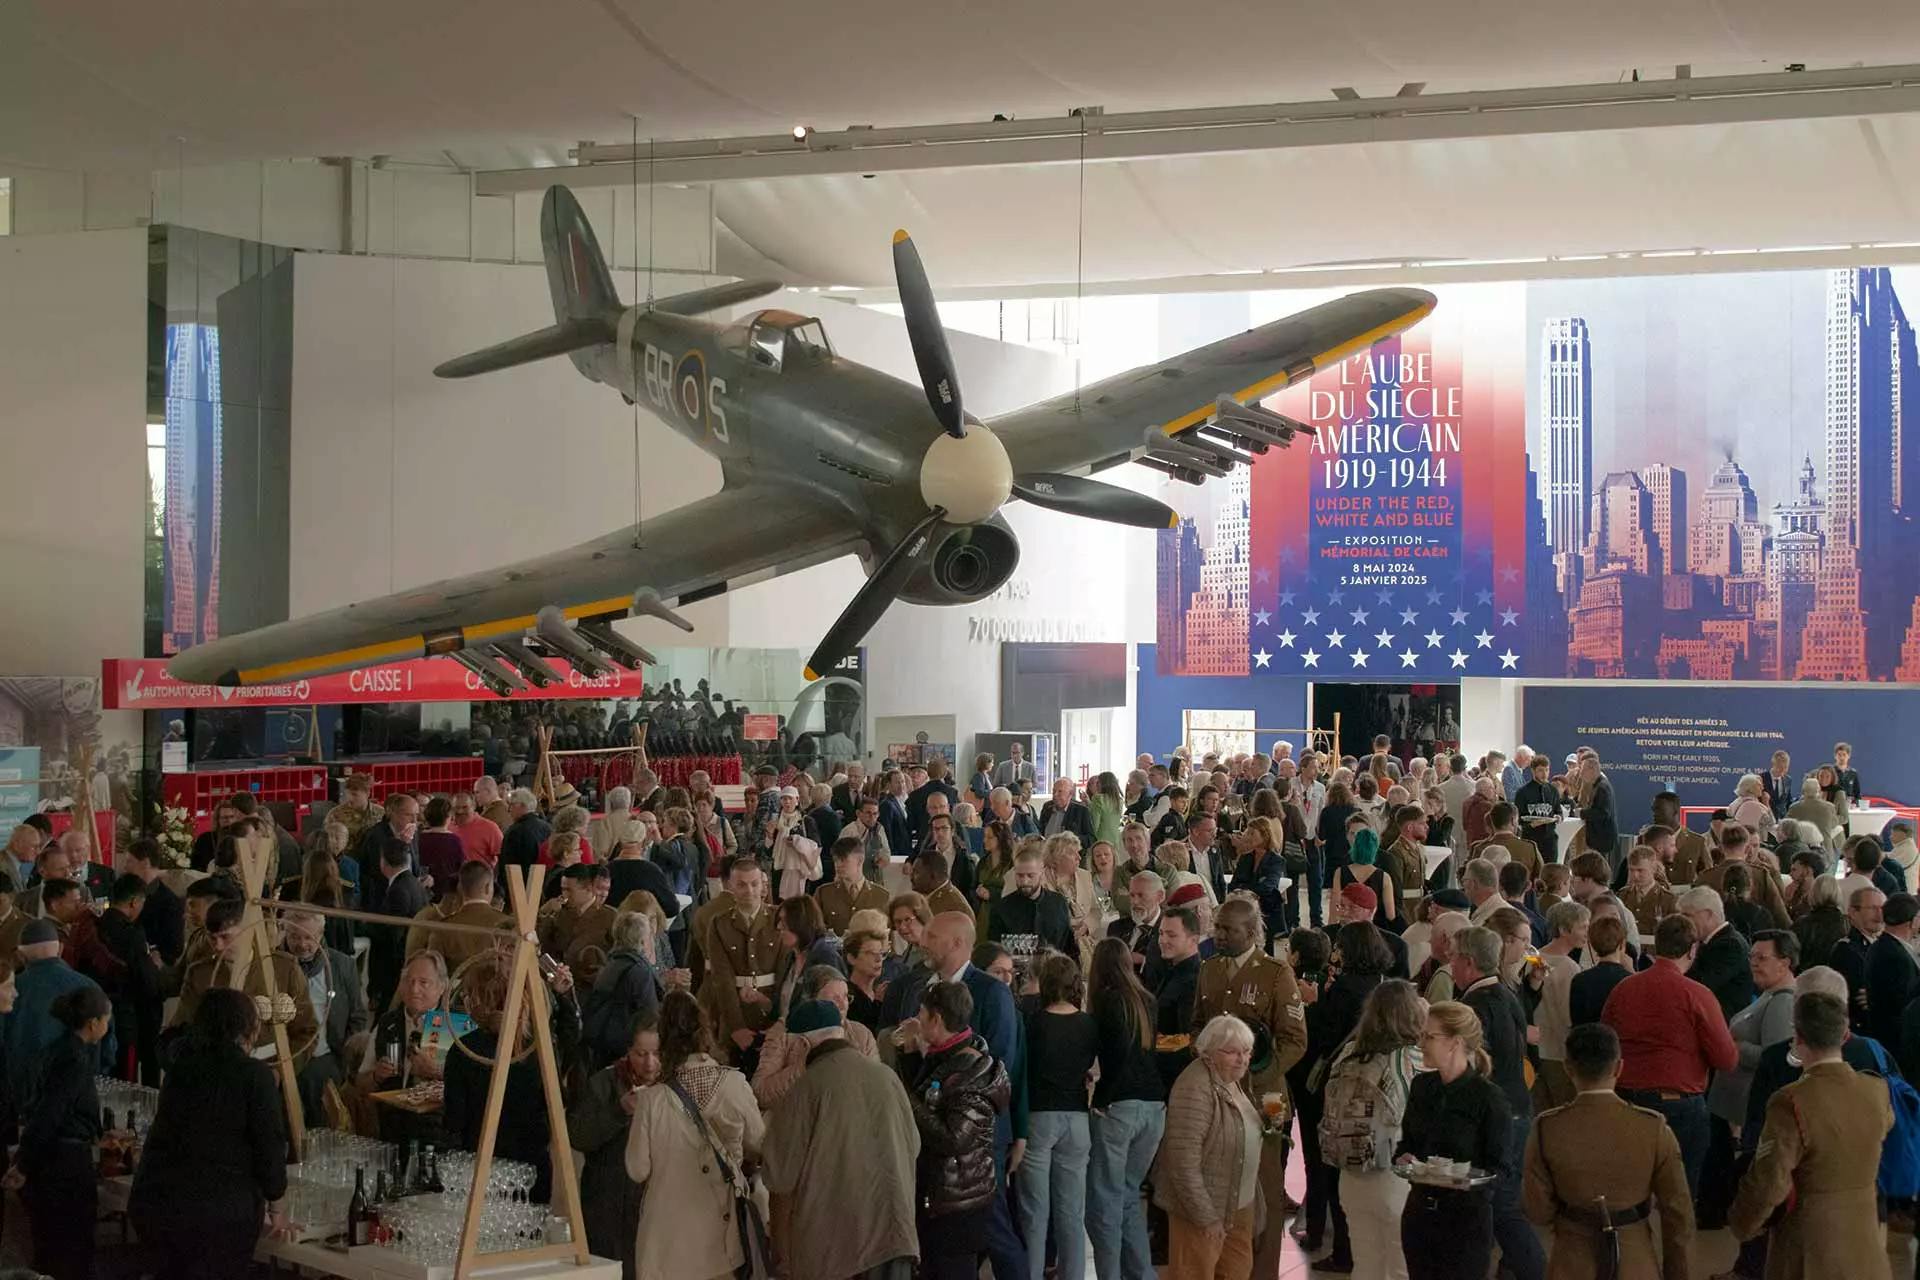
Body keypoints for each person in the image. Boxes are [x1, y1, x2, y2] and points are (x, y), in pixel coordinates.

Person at [1728, 992, 1893, 1279]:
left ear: (1798, 1038)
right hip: (1866, 1244)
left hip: (1809, 1248)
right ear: (1845, 1036)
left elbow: (1771, 1181)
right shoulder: (1876, 1090)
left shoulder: (1790, 1101)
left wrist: (1742, 1223)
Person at [128, 988, 289, 1280]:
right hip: (218, 1214)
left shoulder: (181, 1069)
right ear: (248, 1028)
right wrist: (276, 1204)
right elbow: (269, 1146)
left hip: (160, 1201)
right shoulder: (255, 1076)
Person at [763, 998, 920, 1280]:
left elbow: (779, 1177)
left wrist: (780, 1254)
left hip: (836, 1254)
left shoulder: (803, 1091)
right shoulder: (887, 1077)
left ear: (801, 1045)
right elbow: (914, 1146)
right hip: (895, 1240)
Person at [1522, 1023, 1692, 1280]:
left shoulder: (1547, 1127)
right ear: (1619, 1067)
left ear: (1568, 1068)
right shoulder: (1652, 1127)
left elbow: (1538, 1211)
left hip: (1571, 1261)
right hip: (1635, 1261)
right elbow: (1678, 1213)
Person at [1191, 898, 1307, 1275]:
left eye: (1229, 930)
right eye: (1218, 927)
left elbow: (1294, 1040)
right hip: (1217, 1096)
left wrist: (1252, 1073)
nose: (1219, 935)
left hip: (1265, 1098)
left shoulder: (1274, 974)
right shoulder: (1208, 970)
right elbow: (1198, 1026)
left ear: (1252, 932)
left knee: (1265, 1187)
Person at [626, 990, 766, 1280]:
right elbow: (759, 1143)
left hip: (665, 1244)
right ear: (706, 1032)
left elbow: (637, 1170)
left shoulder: (651, 1100)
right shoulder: (735, 1083)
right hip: (719, 1239)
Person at [1600, 913, 1738, 1199]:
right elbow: (1727, 1059)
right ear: (1692, 950)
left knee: (1628, 1193)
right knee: (1679, 1198)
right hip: (1680, 1104)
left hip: (1626, 1098)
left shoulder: (1624, 989)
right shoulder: (1698, 995)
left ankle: (1631, 1242)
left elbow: (1604, 1043)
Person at [443, 949, 578, 1201]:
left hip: (483, 1170)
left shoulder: (465, 1052)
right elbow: (558, 1100)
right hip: (532, 1169)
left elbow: (454, 1121)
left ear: (476, 1001)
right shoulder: (540, 1047)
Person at [1449, 925, 1544, 1280]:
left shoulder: (1474, 1008)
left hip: (1497, 1119)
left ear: (1469, 962)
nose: (1450, 964)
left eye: (1455, 957)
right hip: (1518, 1110)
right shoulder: (1507, 994)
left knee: (1502, 1209)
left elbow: (1470, 1072)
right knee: (1497, 1206)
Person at [897, 979, 1010, 1280]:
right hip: (939, 1197)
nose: (916, 1021)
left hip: (958, 1205)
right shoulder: (944, 1055)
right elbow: (926, 1099)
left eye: (921, 1014)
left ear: (936, 1019)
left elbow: (953, 1138)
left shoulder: (971, 1071)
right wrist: (908, 1056)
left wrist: (902, 1096)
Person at [1298, 921, 1392, 1270]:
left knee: (1327, 1163)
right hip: (1368, 1083)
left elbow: (1322, 1033)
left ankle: (1336, 1246)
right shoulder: (1380, 984)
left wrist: (1311, 1002)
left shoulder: (1344, 989)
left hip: (1336, 1084)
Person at [1395, 1001, 1513, 1280]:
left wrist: (1463, 1178)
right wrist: (1403, 1157)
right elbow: (1407, 1144)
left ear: (1454, 1043)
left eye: (1429, 1036)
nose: (1420, 1043)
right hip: (1419, 1216)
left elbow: (1502, 1168)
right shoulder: (1422, 1087)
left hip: (1465, 1222)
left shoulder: (1488, 1098)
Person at [1154, 1014, 1264, 1280]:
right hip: (1202, 1211)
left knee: (1237, 1271)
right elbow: (1182, 1163)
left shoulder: (1231, 1078)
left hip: (1237, 1204)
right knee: (1195, 1272)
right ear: (1208, 1052)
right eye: (1233, 1052)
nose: (1243, 1059)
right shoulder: (1195, 1087)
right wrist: (1206, 1217)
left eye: (1247, 1051)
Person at [1085, 937, 1165, 1280]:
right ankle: (1141, 1274)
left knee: (1103, 1203)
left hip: (1118, 1107)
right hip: (1154, 1108)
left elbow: (1101, 1058)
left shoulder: (1105, 1001)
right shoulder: (1147, 1000)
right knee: (1130, 1196)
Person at [17, 983, 109, 1280]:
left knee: (48, 1246)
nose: (107, 1025)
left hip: (49, 1161)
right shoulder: (75, 1060)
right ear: (93, 1023)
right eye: (106, 1019)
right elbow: (51, 1113)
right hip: (65, 1165)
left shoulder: (55, 1051)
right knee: (71, 1249)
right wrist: (23, 1163)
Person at [1017, 952, 1099, 1280]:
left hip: (1039, 1116)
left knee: (1034, 1215)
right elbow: (1091, 1069)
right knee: (1071, 1215)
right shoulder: (1088, 1024)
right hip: (1077, 1118)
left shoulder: (1033, 1023)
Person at [568, 1011, 661, 1280]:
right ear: (628, 1052)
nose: (650, 1064)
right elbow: (578, 1136)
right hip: (608, 1205)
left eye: (656, 1053)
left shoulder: (672, 1085)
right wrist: (619, 1111)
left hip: (654, 1205)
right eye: (641, 1054)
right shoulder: (604, 1083)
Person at [280, 908, 368, 1127]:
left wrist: (347, 1059)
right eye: (294, 937)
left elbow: (357, 1016)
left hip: (328, 1059)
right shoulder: (272, 964)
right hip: (285, 1059)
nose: (301, 944)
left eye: (309, 937)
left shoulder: (342, 966)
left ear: (321, 934)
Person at [697, 856, 782, 1064]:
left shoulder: (778, 918)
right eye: (742, 885)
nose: (749, 891)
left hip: (771, 1009)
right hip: (734, 1012)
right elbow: (721, 978)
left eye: (754, 884)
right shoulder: (719, 924)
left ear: (763, 885)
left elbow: (785, 972)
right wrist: (736, 1026)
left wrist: (778, 1017)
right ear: (731, 887)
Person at [579, 911, 663, 1070]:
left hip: (605, 1046)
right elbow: (649, 1015)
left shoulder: (613, 963)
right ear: (643, 941)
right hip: (627, 1049)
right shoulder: (639, 971)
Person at [1677, 884, 1755, 1022]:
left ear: (1708, 915)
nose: (1683, 923)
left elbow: (1700, 984)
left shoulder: (1730, 945)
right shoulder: (1711, 941)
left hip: (1725, 1024)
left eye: (1687, 916)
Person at [989, 845, 1079, 962]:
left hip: (1052, 973)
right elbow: (994, 952)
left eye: (1030, 875)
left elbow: (1069, 948)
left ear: (1041, 873)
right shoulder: (1001, 909)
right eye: (1020, 876)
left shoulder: (1058, 903)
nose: (1025, 881)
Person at [1567, 914, 1635, 1026]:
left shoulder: (1580, 980)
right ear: (1622, 944)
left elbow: (1577, 1022)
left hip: (1586, 1040)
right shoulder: (1629, 980)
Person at [816, 835, 890, 935]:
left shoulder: (881, 896)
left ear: (860, 860)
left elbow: (887, 938)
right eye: (835, 860)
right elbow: (815, 931)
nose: (838, 865)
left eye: (843, 860)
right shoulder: (824, 893)